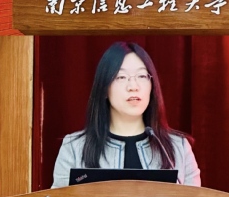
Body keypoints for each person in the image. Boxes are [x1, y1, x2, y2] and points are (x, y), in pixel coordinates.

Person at [52, 41, 201, 186]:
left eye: (141, 76)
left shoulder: (179, 148)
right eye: (121, 77)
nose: (133, 86)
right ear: (104, 88)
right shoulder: (74, 148)